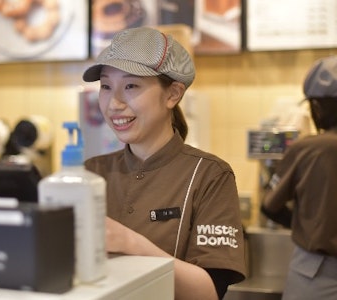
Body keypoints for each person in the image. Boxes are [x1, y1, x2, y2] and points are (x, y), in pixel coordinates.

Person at [82, 26, 246, 300]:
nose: (114, 104)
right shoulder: (90, 172)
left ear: (173, 94)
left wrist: (131, 243)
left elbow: (209, 292)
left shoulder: (209, 175)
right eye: (106, 87)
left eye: (131, 85)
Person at [261, 55, 337, 300]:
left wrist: (307, 223)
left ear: (317, 106)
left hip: (316, 273)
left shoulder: (309, 149)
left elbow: (270, 206)